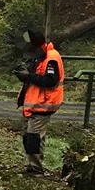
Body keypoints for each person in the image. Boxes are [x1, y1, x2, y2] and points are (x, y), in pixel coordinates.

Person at [13, 29, 64, 174]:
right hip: (33, 104)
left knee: (34, 137)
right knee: (29, 136)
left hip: (43, 104)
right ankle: (32, 165)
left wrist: (28, 76)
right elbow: (34, 76)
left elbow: (50, 81)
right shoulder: (40, 56)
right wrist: (24, 74)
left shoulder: (51, 58)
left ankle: (35, 168)